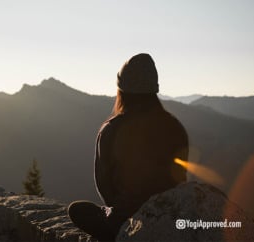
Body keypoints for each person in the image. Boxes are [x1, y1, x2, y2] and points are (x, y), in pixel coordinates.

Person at [68, 53, 188, 241]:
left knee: (77, 210)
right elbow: (180, 178)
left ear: (121, 90)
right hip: (171, 214)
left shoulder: (111, 130)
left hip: (127, 220)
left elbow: (105, 188)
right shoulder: (175, 128)